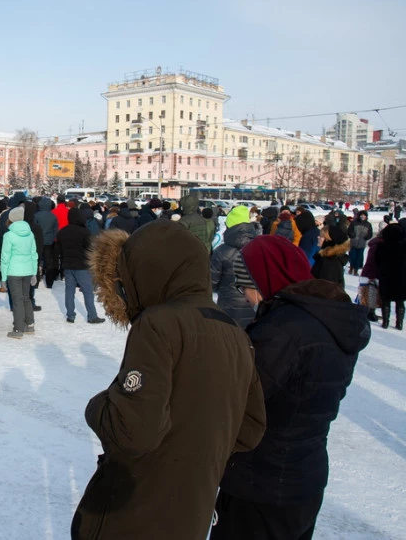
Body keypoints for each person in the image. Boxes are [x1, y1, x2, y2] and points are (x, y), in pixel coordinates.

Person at [72, 220, 266, 539]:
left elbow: (133, 431)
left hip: (135, 513)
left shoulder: (158, 323)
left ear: (149, 270)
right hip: (192, 512)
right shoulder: (232, 330)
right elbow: (250, 429)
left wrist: (98, 407)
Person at [213, 235, 370, 540]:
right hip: (303, 476)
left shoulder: (282, 331)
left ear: (264, 278)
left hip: (262, 483)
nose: (244, 295)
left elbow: (238, 400)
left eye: (245, 284)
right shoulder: (326, 318)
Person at [210, 205, 259, 328]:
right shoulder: (260, 248)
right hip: (255, 304)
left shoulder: (221, 251)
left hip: (228, 305)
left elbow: (211, 282)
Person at [56, 207, 105, 325]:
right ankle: (92, 316)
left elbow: (59, 250)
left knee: (69, 290)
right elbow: (90, 249)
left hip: (67, 265)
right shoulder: (84, 232)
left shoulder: (62, 232)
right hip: (82, 266)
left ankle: (70, 315)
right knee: (87, 291)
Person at [0, 206, 38, 339]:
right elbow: (34, 254)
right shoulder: (30, 233)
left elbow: (5, 257)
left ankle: (18, 328)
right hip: (27, 270)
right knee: (26, 297)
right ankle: (30, 324)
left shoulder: (8, 235)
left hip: (13, 271)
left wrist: (3, 277)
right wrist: (34, 272)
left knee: (17, 300)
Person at [375, 223, 406, 330]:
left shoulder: (382, 245)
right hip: (401, 275)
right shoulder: (403, 244)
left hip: (386, 274)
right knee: (400, 300)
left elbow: (377, 260)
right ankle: (399, 323)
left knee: (386, 300)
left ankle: (385, 321)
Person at [35, 197, 60, 287]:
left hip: (38, 241)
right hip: (49, 242)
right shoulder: (53, 216)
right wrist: (52, 239)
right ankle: (50, 283)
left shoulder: (36, 215)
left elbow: (34, 228)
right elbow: (55, 230)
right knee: (49, 262)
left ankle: (36, 282)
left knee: (36, 261)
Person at [347, 211, 373, 276]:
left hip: (362, 243)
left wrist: (367, 237)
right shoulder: (354, 223)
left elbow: (370, 233)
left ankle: (356, 270)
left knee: (359, 257)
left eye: (364, 215)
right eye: (361, 215)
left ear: (366, 216)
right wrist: (352, 235)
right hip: (353, 242)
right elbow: (349, 230)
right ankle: (351, 267)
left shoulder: (368, 224)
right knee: (352, 256)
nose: (362, 216)